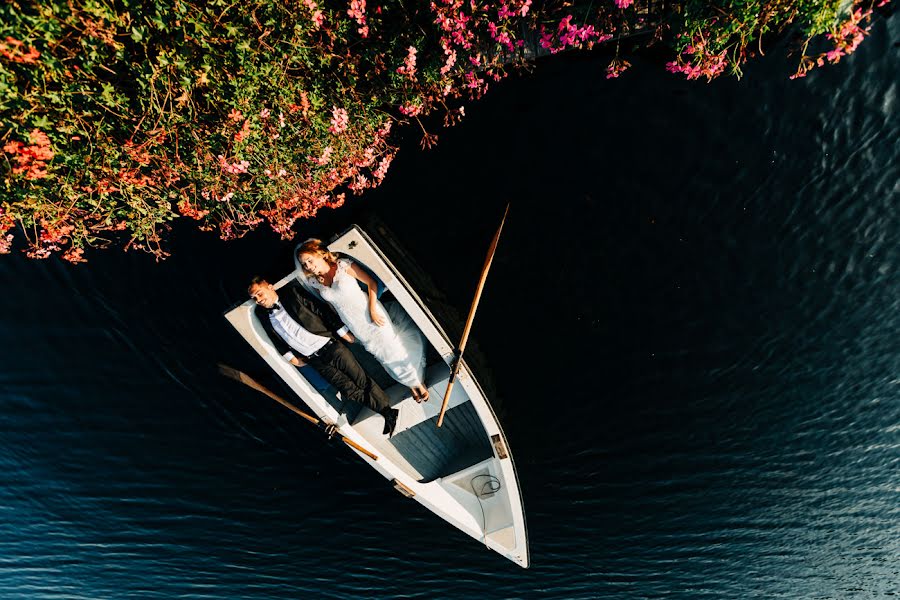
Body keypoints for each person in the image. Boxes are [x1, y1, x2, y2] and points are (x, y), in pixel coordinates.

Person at [248, 276, 399, 437]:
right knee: (348, 390)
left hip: (331, 347)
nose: (258, 300)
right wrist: (289, 356)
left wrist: (342, 331)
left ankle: (387, 412)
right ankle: (387, 412)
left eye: (259, 294)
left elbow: (320, 309)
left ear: (270, 287)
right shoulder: (263, 316)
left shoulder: (291, 293)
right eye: (254, 298)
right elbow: (274, 338)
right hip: (313, 359)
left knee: (360, 379)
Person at [295, 239, 430, 402]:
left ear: (320, 254)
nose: (308, 266)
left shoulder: (343, 265)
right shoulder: (314, 282)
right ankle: (410, 385)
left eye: (309, 260)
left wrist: (373, 309)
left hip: (370, 312)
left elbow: (371, 283)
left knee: (393, 347)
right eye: (304, 264)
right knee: (381, 354)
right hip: (354, 323)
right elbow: (331, 307)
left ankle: (417, 383)